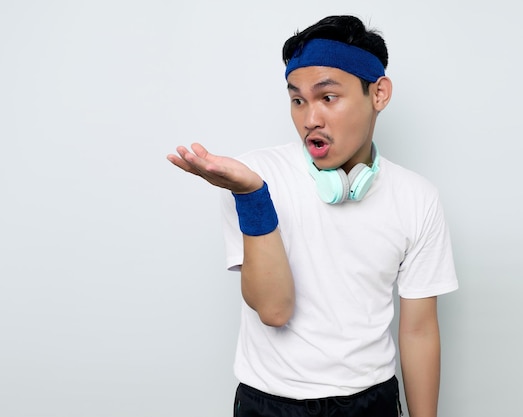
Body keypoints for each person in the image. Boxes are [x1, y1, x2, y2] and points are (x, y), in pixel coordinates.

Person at [167, 15, 458, 417]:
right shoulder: (250, 177)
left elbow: (419, 330)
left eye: (328, 97)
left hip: (370, 401)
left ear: (379, 93)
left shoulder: (417, 197)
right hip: (268, 404)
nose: (310, 119)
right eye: (297, 99)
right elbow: (274, 310)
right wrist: (252, 197)